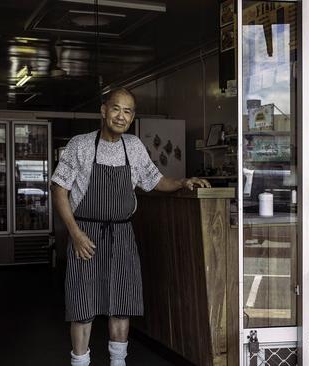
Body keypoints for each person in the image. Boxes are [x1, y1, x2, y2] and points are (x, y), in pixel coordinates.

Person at [51, 87, 210, 366]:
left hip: (123, 235)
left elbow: (156, 180)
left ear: (133, 116)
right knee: (82, 307)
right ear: (103, 111)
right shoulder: (81, 144)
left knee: (121, 305)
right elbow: (59, 189)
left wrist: (183, 182)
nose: (121, 116)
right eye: (116, 109)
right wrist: (75, 234)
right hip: (85, 235)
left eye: (127, 111)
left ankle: (118, 363)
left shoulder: (134, 147)